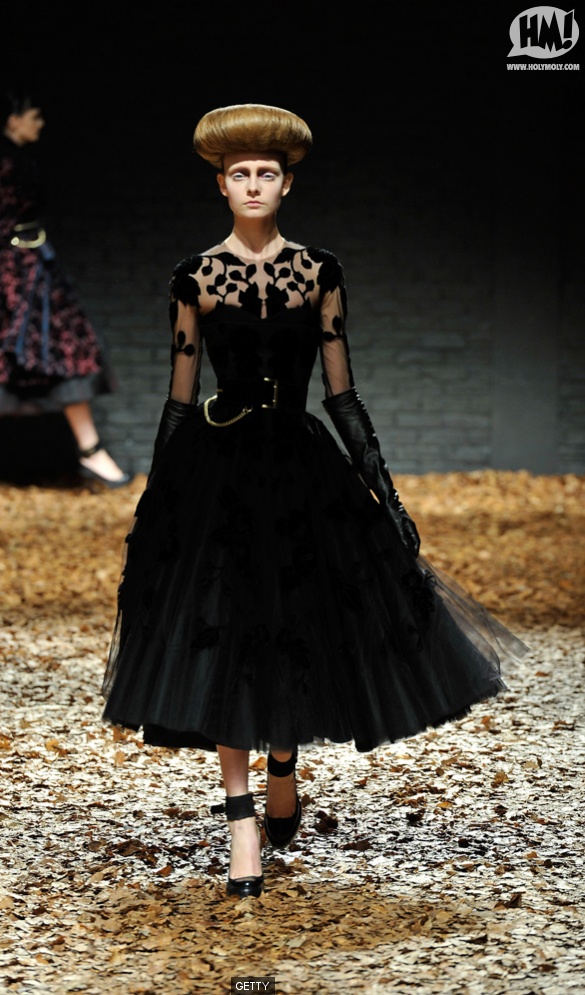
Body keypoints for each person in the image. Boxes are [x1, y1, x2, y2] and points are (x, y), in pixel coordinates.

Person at [101, 104, 527, 898]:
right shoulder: (193, 278)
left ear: (286, 184)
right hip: (217, 472)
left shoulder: (318, 272)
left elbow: (340, 392)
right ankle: (240, 821)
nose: (252, 184)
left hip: (301, 467)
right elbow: (179, 399)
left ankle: (284, 757)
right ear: (220, 184)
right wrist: (157, 501)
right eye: (239, 173)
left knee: (296, 621)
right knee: (225, 630)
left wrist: (384, 491)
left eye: (265, 173)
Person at [0, 90, 130, 492]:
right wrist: (13, 281)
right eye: (34, 116)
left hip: (30, 264)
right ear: (13, 120)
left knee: (56, 354)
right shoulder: (9, 164)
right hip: (17, 269)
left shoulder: (18, 161)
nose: (40, 124)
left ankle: (88, 450)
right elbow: (4, 222)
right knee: (3, 358)